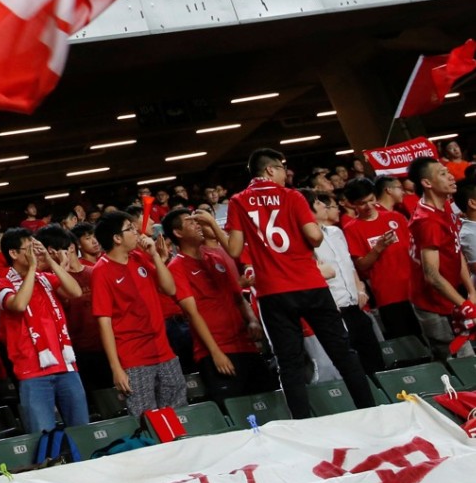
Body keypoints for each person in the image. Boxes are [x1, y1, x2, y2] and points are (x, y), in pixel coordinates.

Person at [219, 148, 375, 419]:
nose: (284, 173)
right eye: (281, 168)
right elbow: (315, 237)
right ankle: (370, 412)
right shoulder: (291, 196)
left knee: (289, 364)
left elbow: (234, 250)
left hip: (273, 292)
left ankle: (302, 424)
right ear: (269, 170)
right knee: (342, 352)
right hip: (309, 284)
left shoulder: (238, 201)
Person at [163, 209, 275, 405]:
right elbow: (192, 313)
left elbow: (238, 297)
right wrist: (215, 353)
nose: (198, 225)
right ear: (178, 233)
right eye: (191, 222)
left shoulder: (216, 257)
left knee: (269, 404)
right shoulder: (176, 266)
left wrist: (252, 320)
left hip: (245, 345)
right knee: (237, 411)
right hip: (217, 350)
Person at [92, 211, 186, 419]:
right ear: (117, 238)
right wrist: (116, 368)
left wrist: (154, 256)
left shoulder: (139, 257)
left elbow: (170, 289)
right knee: (147, 421)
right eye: (130, 229)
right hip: (134, 358)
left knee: (179, 416)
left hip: (164, 351)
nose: (137, 233)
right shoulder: (101, 271)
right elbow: (104, 322)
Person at [0, 228, 88, 433]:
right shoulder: (1, 284)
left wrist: (50, 261)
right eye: (29, 249)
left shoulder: (45, 278)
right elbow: (18, 304)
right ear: (14, 254)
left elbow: (75, 292)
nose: (35, 253)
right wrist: (33, 269)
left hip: (66, 367)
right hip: (32, 372)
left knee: (82, 432)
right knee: (43, 436)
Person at [307, 190, 384, 375]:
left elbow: (349, 265)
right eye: (317, 203)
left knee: (375, 361)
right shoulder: (305, 240)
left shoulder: (336, 232)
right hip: (334, 311)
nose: (323, 206)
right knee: (352, 369)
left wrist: (360, 289)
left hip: (355, 307)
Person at [407, 157, 476, 359]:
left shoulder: (444, 206)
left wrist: (470, 293)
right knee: (461, 364)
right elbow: (432, 275)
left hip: (451, 298)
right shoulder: (426, 221)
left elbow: (455, 251)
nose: (451, 177)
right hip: (433, 305)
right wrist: (465, 305)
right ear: (427, 183)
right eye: (443, 174)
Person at [343, 178, 421, 340]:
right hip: (389, 295)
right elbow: (362, 265)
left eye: (371, 200)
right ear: (352, 204)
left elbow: (415, 251)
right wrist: (378, 248)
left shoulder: (396, 217)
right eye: (362, 203)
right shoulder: (351, 229)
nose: (369, 206)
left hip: (416, 289)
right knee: (409, 344)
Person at [34, 225, 110, 392]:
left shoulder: (94, 273)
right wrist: (61, 268)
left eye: (49, 251)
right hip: (76, 352)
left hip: (106, 346)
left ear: (71, 247)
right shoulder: (47, 280)